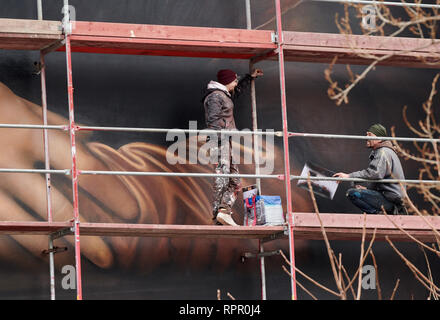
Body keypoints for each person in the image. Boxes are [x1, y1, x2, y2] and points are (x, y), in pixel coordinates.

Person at [203, 68, 263, 226]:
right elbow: (213, 120)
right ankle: (219, 214)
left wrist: (249, 77)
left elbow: (236, 90)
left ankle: (224, 212)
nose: (236, 83)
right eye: (234, 80)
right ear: (226, 81)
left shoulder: (223, 94)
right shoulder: (215, 96)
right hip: (219, 141)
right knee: (222, 178)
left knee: (235, 182)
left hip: (225, 141)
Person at [333, 124, 408, 215]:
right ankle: (381, 213)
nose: (366, 137)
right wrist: (367, 189)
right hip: (389, 198)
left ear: (379, 139)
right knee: (358, 192)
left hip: (390, 201)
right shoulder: (384, 151)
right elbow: (379, 177)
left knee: (352, 193)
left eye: (370, 135)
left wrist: (349, 176)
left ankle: (378, 215)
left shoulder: (383, 152)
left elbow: (375, 173)